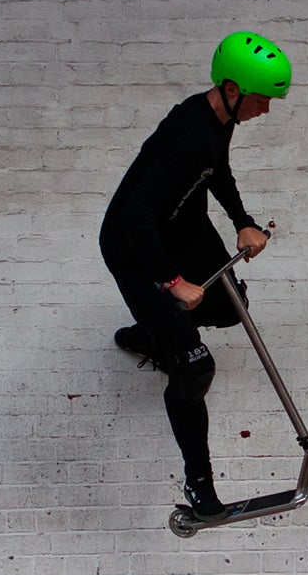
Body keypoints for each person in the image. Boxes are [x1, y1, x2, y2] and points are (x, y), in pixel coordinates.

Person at [101, 30, 288, 519]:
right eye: (262, 99)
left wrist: (241, 220)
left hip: (182, 226)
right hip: (136, 247)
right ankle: (200, 491)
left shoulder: (218, 120)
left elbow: (218, 171)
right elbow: (134, 217)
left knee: (228, 305)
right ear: (232, 88)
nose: (265, 110)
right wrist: (169, 280)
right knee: (194, 367)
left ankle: (150, 336)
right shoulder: (188, 134)